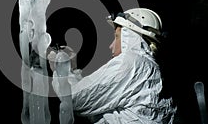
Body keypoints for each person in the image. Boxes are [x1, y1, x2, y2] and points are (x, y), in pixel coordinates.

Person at [47, 7, 177, 124]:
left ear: (131, 37)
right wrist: (73, 70)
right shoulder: (149, 68)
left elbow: (74, 99)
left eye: (117, 36)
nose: (111, 46)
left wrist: (61, 69)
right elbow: (97, 108)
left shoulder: (131, 63)